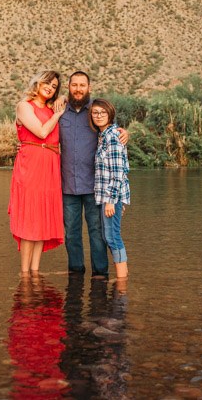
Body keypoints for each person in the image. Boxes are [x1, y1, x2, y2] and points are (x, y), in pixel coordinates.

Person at [58, 71, 127, 278]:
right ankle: (76, 273)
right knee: (71, 234)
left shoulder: (95, 113)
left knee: (97, 234)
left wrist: (125, 132)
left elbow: (111, 131)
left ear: (89, 87)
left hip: (95, 187)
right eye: (74, 85)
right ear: (68, 87)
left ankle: (100, 274)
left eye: (82, 85)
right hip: (68, 185)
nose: (78, 89)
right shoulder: (60, 112)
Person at [9, 70, 67, 275]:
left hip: (50, 165)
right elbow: (41, 132)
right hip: (31, 165)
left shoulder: (52, 108)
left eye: (54, 86)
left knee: (42, 216)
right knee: (29, 218)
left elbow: (78, 99)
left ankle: (35, 270)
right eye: (47, 83)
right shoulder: (24, 106)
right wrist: (58, 114)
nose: (50, 87)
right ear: (38, 82)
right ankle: (25, 273)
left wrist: (61, 101)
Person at [90, 98, 130, 279]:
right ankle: (121, 276)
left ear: (110, 114)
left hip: (110, 198)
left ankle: (122, 278)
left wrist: (111, 200)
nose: (98, 116)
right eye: (95, 113)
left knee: (113, 237)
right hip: (108, 197)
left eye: (102, 113)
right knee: (109, 236)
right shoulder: (103, 135)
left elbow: (118, 171)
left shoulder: (113, 136)